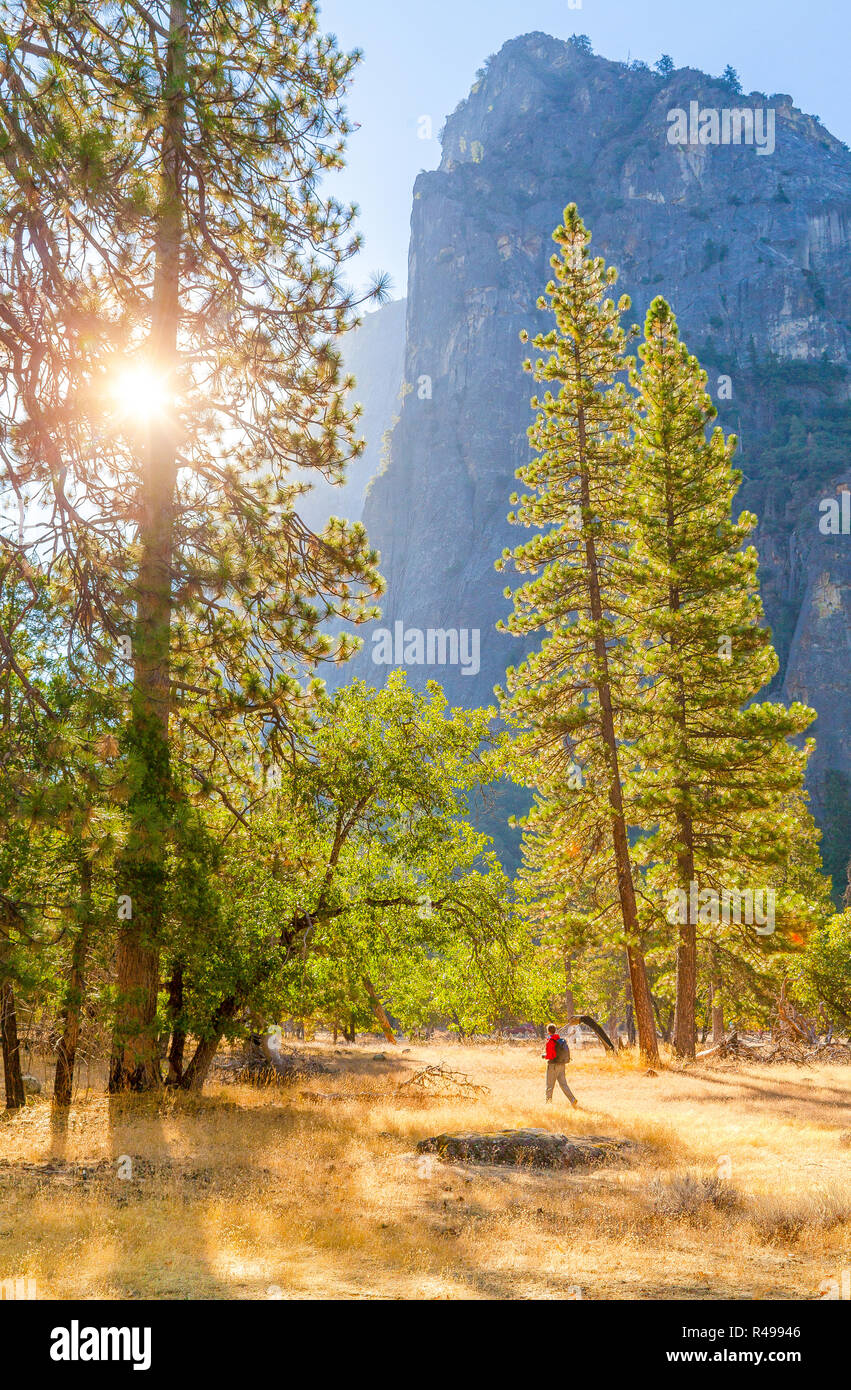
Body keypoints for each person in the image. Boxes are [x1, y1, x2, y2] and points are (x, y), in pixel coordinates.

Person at [542, 1023, 577, 1106]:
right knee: (564, 1084)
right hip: (562, 1065)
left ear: (548, 1031)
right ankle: (572, 1099)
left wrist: (544, 1056)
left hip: (553, 1066)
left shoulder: (550, 1041)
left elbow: (551, 1055)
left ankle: (548, 1103)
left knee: (549, 1085)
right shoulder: (560, 1040)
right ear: (555, 1030)